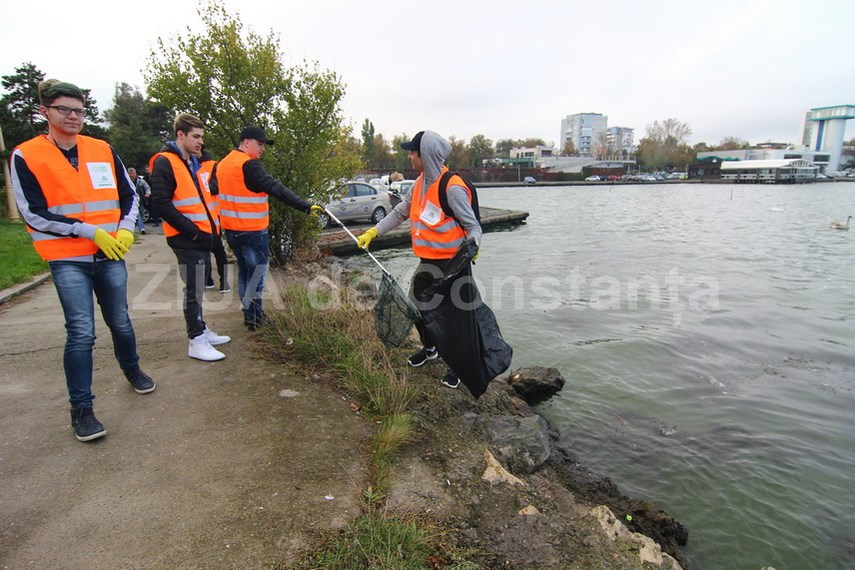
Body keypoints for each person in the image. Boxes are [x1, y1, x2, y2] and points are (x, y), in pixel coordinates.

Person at [10, 79, 155, 442]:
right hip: (67, 258)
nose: (74, 116)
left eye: (79, 110)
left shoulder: (102, 149)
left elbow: (129, 194)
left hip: (110, 253)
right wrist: (89, 232)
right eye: (65, 110)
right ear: (45, 111)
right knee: (81, 333)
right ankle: (82, 409)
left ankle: (132, 369)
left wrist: (124, 229)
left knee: (120, 321)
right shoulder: (26, 155)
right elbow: (33, 214)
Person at [357, 131, 482, 389]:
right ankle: (430, 348)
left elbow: (473, 226)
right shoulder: (419, 184)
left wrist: (474, 246)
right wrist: (373, 232)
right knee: (416, 308)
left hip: (453, 264)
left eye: (412, 152)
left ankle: (458, 366)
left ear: (424, 155)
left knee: (454, 317)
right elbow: (400, 212)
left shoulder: (452, 187)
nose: (409, 156)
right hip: (427, 262)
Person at [216, 125, 323, 330]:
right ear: (246, 142)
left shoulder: (223, 164)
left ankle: (249, 315)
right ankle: (256, 319)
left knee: (245, 274)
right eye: (260, 144)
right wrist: (306, 207)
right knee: (256, 276)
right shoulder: (250, 166)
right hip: (253, 231)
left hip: (231, 230)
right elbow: (276, 188)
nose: (262, 149)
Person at [149, 114, 231, 361]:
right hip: (187, 238)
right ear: (181, 135)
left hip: (200, 237)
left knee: (198, 288)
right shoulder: (166, 162)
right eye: (196, 136)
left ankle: (201, 329)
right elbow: (161, 203)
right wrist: (193, 231)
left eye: (202, 137)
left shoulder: (190, 163)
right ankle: (195, 340)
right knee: (193, 290)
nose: (200, 142)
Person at [194, 147, 229, 293]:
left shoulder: (213, 166)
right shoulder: (185, 165)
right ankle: (208, 280)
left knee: (218, 249)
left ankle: (224, 281)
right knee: (202, 250)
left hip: (213, 216)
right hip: (196, 216)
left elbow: (216, 187)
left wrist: (195, 187)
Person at [128, 167, 150, 234]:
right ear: (128, 174)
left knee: (142, 214)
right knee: (138, 215)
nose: (132, 175)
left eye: (133, 173)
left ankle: (137, 226)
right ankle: (142, 229)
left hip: (140, 200)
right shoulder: (127, 181)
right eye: (131, 173)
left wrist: (148, 193)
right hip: (131, 201)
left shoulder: (140, 180)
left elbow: (147, 187)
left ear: (135, 173)